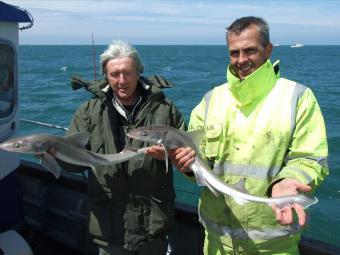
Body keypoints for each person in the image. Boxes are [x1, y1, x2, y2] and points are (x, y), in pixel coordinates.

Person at [170, 16, 328, 254]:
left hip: (273, 246)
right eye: (234, 52)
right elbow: (200, 166)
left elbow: (310, 158)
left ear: (269, 49)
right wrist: (185, 165)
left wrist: (286, 182)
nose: (241, 60)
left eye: (250, 50)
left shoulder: (298, 97)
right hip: (216, 243)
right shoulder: (210, 101)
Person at [66, 40, 185, 254]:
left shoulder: (166, 110)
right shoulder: (87, 112)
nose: (121, 81)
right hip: (109, 227)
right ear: (106, 75)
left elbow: (186, 157)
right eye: (114, 74)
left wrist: (170, 154)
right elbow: (72, 166)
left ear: (139, 72)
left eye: (128, 73)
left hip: (152, 226)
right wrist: (56, 155)